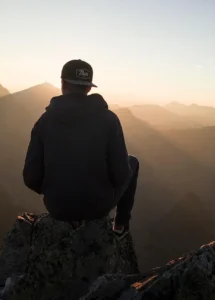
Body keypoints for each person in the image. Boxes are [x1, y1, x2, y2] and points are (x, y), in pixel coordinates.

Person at [23, 59, 139, 238]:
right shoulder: (109, 120)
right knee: (133, 162)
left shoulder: (44, 121)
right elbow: (122, 174)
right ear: (89, 88)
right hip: (97, 207)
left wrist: (57, 189)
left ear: (62, 84)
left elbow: (30, 177)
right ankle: (120, 225)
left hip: (57, 207)